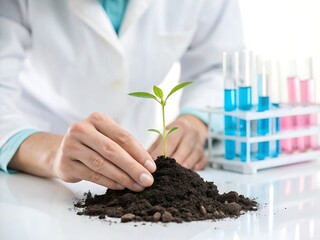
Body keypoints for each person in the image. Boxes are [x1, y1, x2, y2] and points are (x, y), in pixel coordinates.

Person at [0, 0, 244, 192]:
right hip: (33, 173)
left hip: (141, 158)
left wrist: (196, 120)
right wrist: (51, 153)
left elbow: (219, 68)